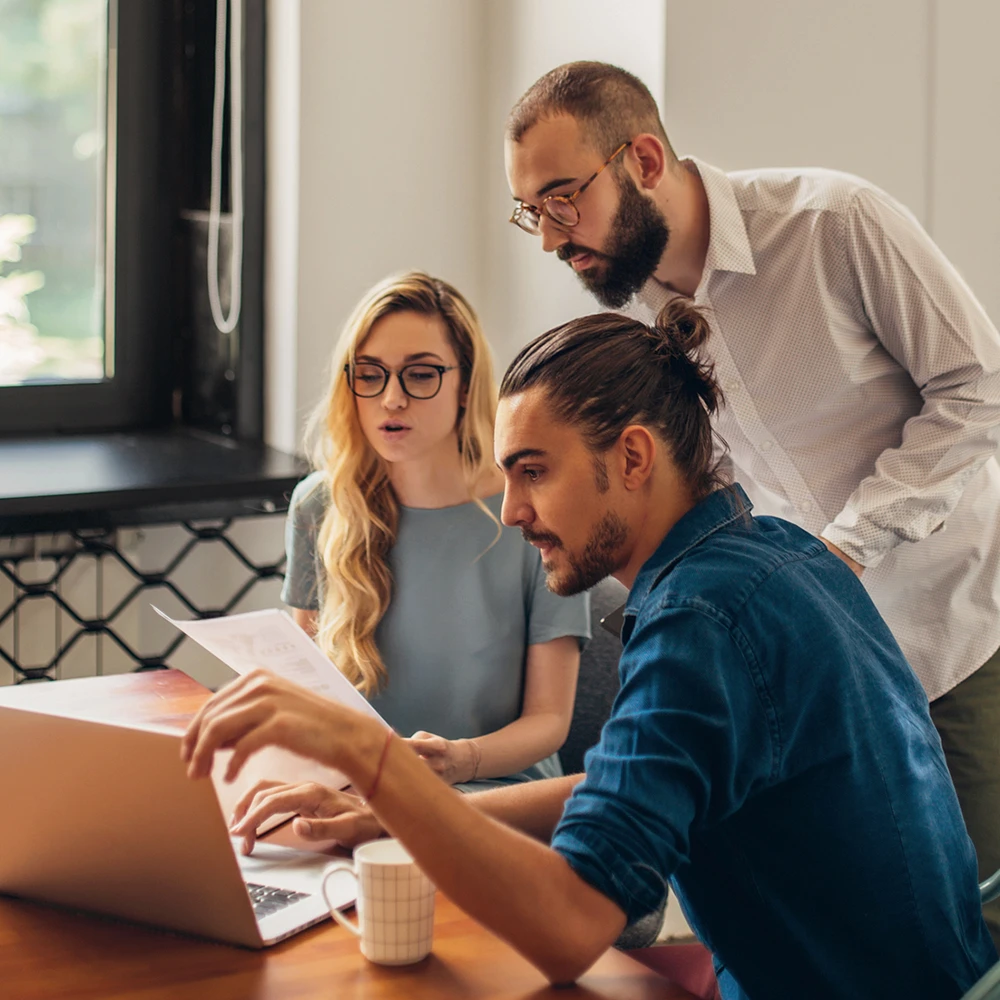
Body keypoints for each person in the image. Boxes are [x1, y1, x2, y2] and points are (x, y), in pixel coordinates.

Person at [183, 304, 995, 1000]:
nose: (512, 512)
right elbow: (626, 787)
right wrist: (384, 814)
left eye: (534, 472)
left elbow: (570, 928)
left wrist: (372, 758)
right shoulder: (779, 553)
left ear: (633, 457)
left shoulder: (699, 622)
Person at [503, 60, 1000, 944]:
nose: (549, 237)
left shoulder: (832, 223)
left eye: (561, 200)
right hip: (817, 676)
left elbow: (978, 389)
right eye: (531, 212)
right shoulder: (641, 330)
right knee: (838, 937)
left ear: (644, 160)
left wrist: (840, 552)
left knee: (970, 942)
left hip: (956, 638)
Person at [236, 271, 588, 850]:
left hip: (493, 800)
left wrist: (459, 760)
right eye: (370, 375)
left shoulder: (529, 509)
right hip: (357, 798)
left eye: (421, 374)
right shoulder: (322, 506)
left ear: (467, 385)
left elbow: (549, 722)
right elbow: (306, 692)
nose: (392, 398)